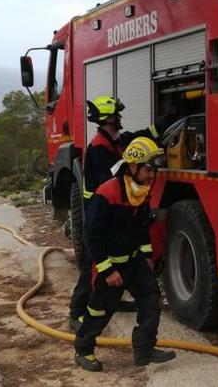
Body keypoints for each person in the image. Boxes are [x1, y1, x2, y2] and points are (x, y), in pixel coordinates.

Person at [74, 136, 176, 371]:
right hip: (109, 267)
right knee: (99, 311)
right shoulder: (107, 193)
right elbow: (92, 237)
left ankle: (144, 350)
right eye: (149, 169)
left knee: (151, 299)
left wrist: (148, 256)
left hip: (133, 261)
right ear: (133, 166)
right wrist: (107, 269)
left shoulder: (140, 192)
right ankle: (83, 349)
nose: (152, 176)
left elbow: (141, 228)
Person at [68, 96, 162, 330]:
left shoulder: (115, 140)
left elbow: (139, 136)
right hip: (99, 213)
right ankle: (77, 312)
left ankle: (114, 300)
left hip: (112, 212)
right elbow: (110, 180)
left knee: (116, 261)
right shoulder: (99, 148)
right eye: (116, 116)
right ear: (107, 119)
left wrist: (164, 122)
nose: (120, 118)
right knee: (94, 264)